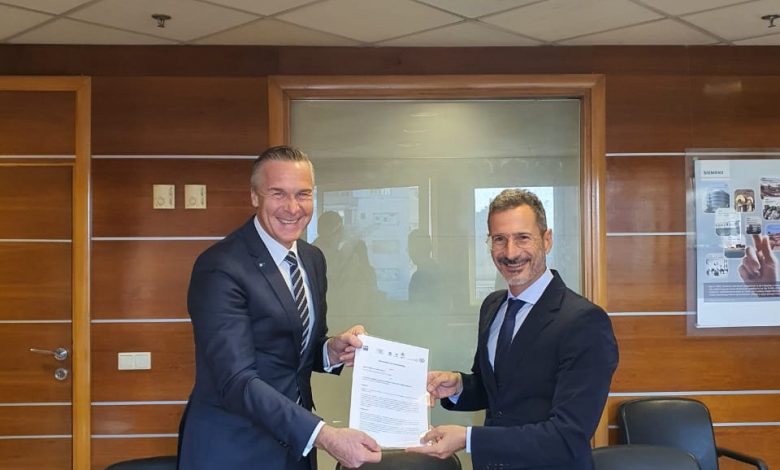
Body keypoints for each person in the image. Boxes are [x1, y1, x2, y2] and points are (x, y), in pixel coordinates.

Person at [178, 146, 382, 469]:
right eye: (278, 194)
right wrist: (323, 435)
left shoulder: (312, 259)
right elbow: (236, 380)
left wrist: (330, 351)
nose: (292, 207)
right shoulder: (220, 267)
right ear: (254, 196)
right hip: (235, 448)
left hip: (295, 448)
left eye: (303, 194)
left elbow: (292, 352)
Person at [408, 189, 618, 470]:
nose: (510, 252)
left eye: (522, 238)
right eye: (499, 239)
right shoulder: (493, 306)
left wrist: (469, 438)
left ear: (547, 240)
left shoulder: (584, 322)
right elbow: (499, 392)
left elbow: (567, 436)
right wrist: (459, 386)